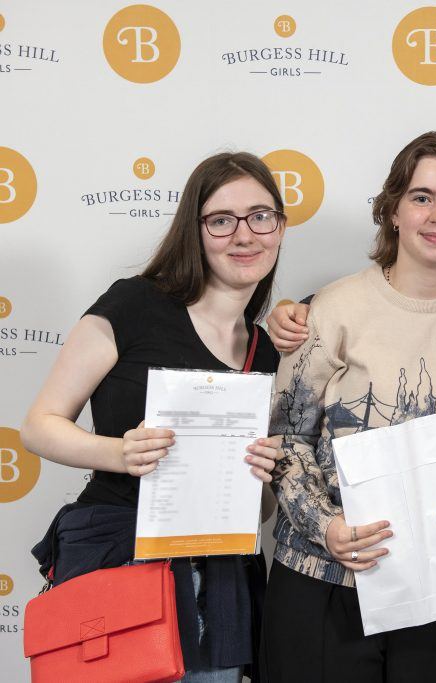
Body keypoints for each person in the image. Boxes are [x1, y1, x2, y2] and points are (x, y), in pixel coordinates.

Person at [22, 151, 287, 682]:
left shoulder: (267, 351)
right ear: (195, 229)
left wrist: (262, 478)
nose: (244, 235)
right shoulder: (135, 304)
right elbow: (39, 425)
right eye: (221, 220)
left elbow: (256, 511)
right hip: (119, 562)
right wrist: (118, 452)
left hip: (220, 583)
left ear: (279, 227)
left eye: (261, 216)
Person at [261, 131, 436, 682]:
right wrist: (326, 526)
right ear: (393, 210)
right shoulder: (333, 307)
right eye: (421, 197)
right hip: (323, 583)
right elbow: (286, 440)